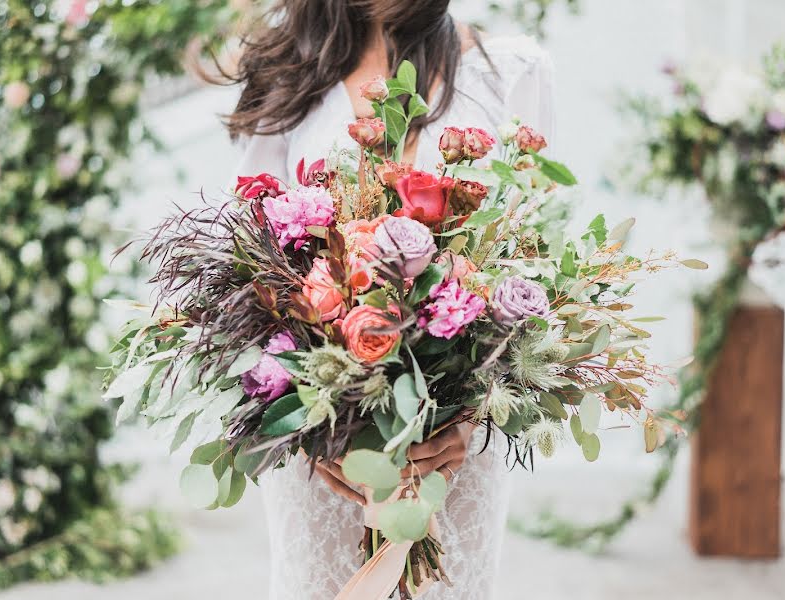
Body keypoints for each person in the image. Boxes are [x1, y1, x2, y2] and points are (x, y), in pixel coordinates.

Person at [218, 1, 555, 597]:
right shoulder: (283, 69)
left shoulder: (509, 73)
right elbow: (248, 267)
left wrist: (469, 418)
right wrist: (312, 425)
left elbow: (538, 262)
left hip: (454, 450)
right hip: (317, 448)